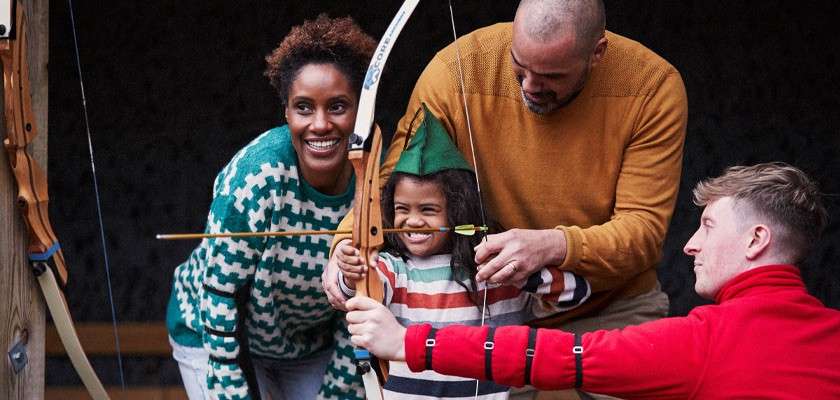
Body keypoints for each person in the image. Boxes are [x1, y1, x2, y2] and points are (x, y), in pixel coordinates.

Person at [325, 0, 687, 396]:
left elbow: (644, 232)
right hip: (501, 312)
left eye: (551, 75)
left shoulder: (651, 86)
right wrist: (348, 243)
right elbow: (397, 178)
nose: (529, 86)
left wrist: (551, 245)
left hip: (612, 308)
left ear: (597, 53)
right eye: (518, 67)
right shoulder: (459, 67)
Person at [345, 162, 840, 399]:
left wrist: (409, 342)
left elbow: (554, 357)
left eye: (707, 226)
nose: (689, 245)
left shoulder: (703, 342)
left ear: (756, 241)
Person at [165, 15, 375, 400]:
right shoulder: (256, 177)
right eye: (304, 108)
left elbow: (364, 304)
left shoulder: (374, 174)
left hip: (308, 346)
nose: (321, 124)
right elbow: (220, 296)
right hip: (212, 332)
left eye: (338, 106)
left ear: (360, 110)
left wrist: (338, 394)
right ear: (287, 114)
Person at [335, 105, 592, 399]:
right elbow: (356, 293)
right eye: (402, 209)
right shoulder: (394, 270)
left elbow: (577, 294)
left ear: (457, 212)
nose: (413, 220)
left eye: (429, 210)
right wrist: (352, 268)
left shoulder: (494, 270)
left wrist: (520, 274)